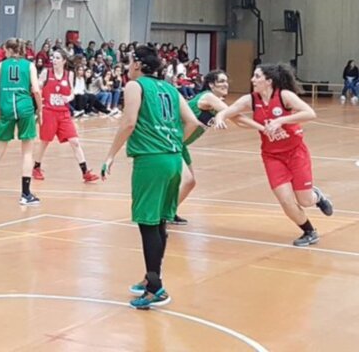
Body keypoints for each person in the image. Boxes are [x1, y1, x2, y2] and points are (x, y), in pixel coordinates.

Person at [101, 45, 200, 310]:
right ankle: (151, 278)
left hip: (150, 160)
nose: (128, 65)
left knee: (147, 222)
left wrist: (110, 155)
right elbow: (192, 122)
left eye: (130, 60)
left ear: (138, 64)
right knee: (160, 221)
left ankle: (156, 288)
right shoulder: (170, 88)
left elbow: (129, 122)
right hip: (172, 159)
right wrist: (174, 142)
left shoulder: (135, 86)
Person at [213, 64, 334, 246]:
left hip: (295, 153)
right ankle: (309, 231)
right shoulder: (251, 99)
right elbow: (227, 111)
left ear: (268, 81)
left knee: (305, 200)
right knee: (286, 201)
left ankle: (317, 196)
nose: (253, 80)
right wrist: (220, 118)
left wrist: (281, 120)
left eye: (257, 76)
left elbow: (310, 113)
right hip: (272, 156)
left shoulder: (285, 96)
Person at [172, 70, 263, 225]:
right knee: (186, 181)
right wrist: (262, 127)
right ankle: (164, 214)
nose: (225, 84)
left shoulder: (214, 102)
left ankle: (169, 211)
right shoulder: (208, 97)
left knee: (189, 182)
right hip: (172, 142)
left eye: (226, 81)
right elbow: (235, 115)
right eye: (221, 81)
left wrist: (260, 128)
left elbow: (238, 121)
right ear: (211, 84)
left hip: (183, 145)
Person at [0, 38, 42, 205]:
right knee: (27, 152)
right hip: (25, 108)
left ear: (9, 50)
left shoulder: (2, 65)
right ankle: (25, 194)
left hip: (6, 108)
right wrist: (40, 109)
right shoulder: (29, 65)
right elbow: (36, 90)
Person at [32, 49, 99, 183]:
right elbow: (36, 88)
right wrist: (40, 103)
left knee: (75, 141)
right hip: (49, 112)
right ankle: (36, 168)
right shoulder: (46, 73)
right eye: (53, 58)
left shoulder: (69, 75)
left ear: (63, 61)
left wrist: (68, 97)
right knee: (45, 142)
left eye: (57, 58)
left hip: (63, 113)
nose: (54, 60)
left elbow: (72, 93)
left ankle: (85, 172)